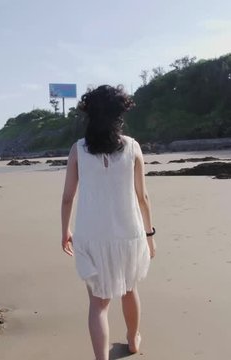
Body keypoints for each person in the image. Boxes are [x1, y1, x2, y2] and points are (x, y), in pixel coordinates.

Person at [60, 85, 156, 360]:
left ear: (89, 114)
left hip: (91, 235)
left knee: (98, 305)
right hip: (129, 233)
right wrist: (150, 235)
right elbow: (143, 196)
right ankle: (132, 340)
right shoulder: (133, 147)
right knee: (129, 289)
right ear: (118, 115)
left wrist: (64, 230)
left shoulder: (78, 149)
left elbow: (68, 197)